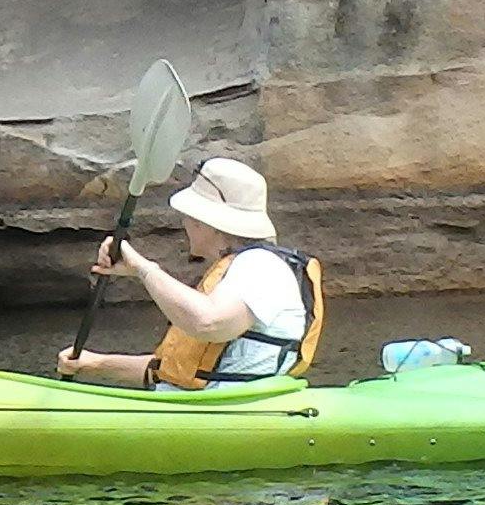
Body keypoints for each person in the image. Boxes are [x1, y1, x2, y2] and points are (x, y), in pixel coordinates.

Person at [61, 155, 321, 388]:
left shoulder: (261, 265)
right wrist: (92, 363)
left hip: (224, 413)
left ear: (206, 221)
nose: (185, 222)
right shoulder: (243, 268)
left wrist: (143, 268)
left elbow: (209, 322)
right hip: (198, 407)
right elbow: (166, 371)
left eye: (188, 215)